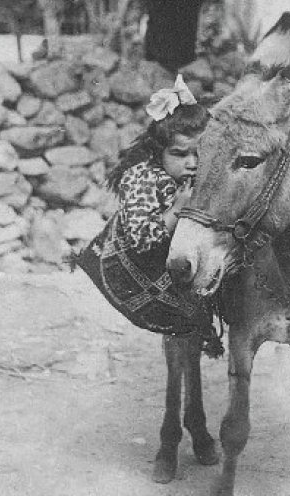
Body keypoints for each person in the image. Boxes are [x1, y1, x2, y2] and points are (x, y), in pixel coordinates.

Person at [97, 74, 220, 483]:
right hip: (146, 268)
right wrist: (178, 209)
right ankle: (172, 436)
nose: (191, 162)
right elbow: (145, 240)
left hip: (189, 268)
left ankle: (194, 424)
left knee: (192, 341)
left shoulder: (202, 175)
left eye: (198, 153)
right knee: (179, 349)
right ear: (159, 151)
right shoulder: (142, 179)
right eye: (180, 153)